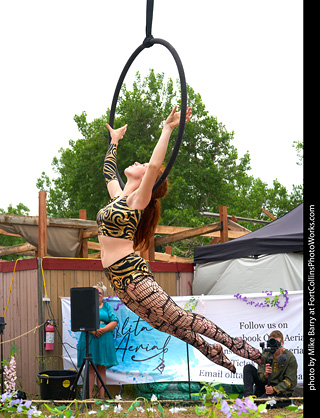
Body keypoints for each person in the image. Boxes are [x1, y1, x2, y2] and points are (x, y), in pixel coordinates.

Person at [97, 105, 263, 373]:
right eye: (137, 164)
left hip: (132, 274)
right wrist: (114, 140)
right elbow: (108, 171)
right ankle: (210, 349)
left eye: (141, 166)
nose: (137, 163)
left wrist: (168, 128)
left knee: (179, 317)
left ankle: (238, 346)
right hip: (116, 277)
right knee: (164, 324)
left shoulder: (138, 199)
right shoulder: (117, 196)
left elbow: (153, 166)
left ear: (146, 182)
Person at [77, 283, 119, 398]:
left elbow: (114, 321)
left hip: (104, 339)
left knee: (102, 368)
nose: (98, 295)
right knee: (90, 368)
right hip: (90, 338)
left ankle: (102, 397)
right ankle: (89, 397)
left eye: (100, 293)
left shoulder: (107, 307)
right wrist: (93, 331)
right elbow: (82, 321)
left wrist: (102, 330)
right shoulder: (86, 306)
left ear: (103, 295)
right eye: (95, 293)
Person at [243, 330, 298, 408]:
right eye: (272, 342)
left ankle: (261, 401)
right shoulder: (266, 354)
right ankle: (248, 400)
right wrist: (265, 374)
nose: (275, 346)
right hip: (266, 386)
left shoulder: (289, 357)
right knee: (248, 368)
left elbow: (290, 380)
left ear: (282, 343)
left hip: (279, 390)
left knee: (265, 404)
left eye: (277, 343)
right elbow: (260, 376)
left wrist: (274, 389)